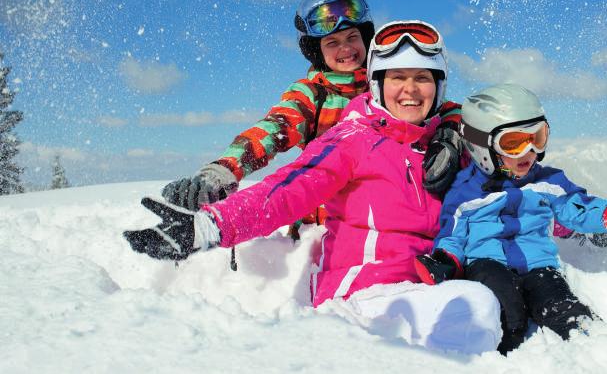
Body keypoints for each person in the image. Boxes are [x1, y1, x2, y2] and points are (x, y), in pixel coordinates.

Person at [123, 21, 502, 354]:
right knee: (475, 312)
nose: (410, 89)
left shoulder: (440, 138)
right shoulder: (346, 127)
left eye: (422, 78)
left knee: (493, 305)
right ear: (377, 81)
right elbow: (288, 181)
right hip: (367, 286)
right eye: (397, 77)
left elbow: (494, 172)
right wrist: (213, 208)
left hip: (428, 278)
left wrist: (452, 132)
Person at [414, 84, 607, 355]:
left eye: (537, 137)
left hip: (538, 265)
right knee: (507, 312)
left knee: (561, 305)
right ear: (482, 145)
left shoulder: (547, 182)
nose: (529, 152)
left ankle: (597, 352)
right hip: (486, 264)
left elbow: (581, 210)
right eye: (513, 143)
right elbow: (453, 233)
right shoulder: (465, 191)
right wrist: (446, 260)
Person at [162, 0, 463, 222]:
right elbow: (273, 129)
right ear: (317, 51)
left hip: (388, 216)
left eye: (352, 37)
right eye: (332, 43)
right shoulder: (311, 95)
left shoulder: (385, 87)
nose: (346, 49)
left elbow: (447, 109)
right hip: (321, 226)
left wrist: (449, 135)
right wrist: (224, 170)